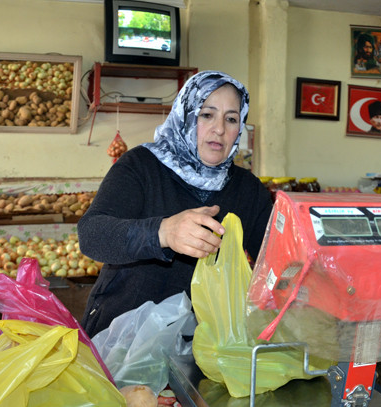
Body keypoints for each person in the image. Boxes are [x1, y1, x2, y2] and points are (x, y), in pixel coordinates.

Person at [78, 71, 274, 338]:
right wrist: (165, 232)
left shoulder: (247, 189)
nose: (219, 129)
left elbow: (274, 257)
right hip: (123, 339)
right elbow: (92, 235)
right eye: (207, 115)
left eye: (231, 119)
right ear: (186, 114)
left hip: (203, 349)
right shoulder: (141, 166)